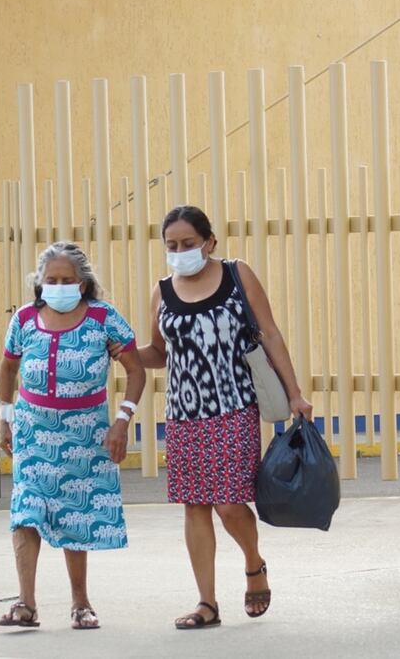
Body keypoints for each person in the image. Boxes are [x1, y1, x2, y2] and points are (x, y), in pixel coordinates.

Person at [128, 205, 312, 629]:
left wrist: (295, 393)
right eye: (171, 245)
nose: (180, 252)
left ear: (209, 241)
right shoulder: (162, 291)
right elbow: (158, 353)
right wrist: (119, 351)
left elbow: (269, 333)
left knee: (229, 504)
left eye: (188, 244)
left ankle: (253, 564)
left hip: (233, 407)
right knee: (195, 507)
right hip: (183, 414)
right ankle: (206, 603)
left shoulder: (236, 274)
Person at [0, 242, 146, 630]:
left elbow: (135, 369)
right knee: (26, 510)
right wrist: (5, 417)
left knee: (75, 515)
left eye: (67, 280)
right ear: (39, 283)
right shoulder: (26, 319)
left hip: (86, 434)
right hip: (33, 431)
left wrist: (123, 421)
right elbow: (8, 369)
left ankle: (80, 603)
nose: (58, 286)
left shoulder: (102, 318)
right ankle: (25, 603)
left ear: (83, 284)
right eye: (51, 280)